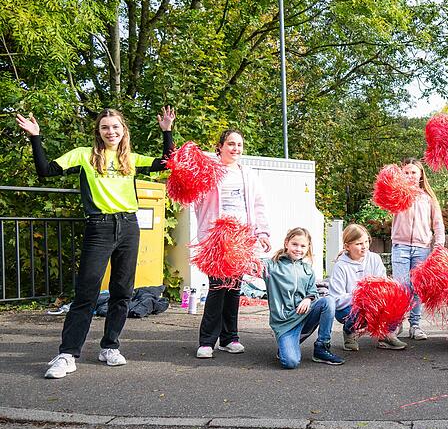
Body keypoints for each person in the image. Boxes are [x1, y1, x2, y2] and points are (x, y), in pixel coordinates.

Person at [17, 107, 175, 379]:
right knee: (86, 293)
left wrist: (167, 132)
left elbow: (168, 162)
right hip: (99, 228)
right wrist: (35, 137)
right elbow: (45, 170)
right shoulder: (84, 155)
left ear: (123, 130)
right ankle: (67, 354)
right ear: (98, 132)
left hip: (128, 227)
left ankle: (110, 346)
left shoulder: (131, 159)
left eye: (115, 127)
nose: (111, 131)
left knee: (122, 291)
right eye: (105, 127)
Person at [193, 129, 271, 359]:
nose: (236, 148)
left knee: (234, 288)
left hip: (241, 238)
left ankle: (230, 338)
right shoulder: (209, 171)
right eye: (231, 144)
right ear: (220, 146)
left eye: (239, 144)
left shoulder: (248, 174)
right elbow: (193, 193)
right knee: (218, 287)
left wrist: (263, 232)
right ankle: (207, 341)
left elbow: (258, 205)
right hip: (216, 237)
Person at [264, 227, 343, 368]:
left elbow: (313, 291)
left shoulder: (308, 270)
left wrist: (308, 298)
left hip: (304, 316)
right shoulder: (271, 266)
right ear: (286, 243)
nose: (298, 249)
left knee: (328, 301)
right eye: (294, 244)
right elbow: (248, 265)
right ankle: (287, 345)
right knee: (290, 362)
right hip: (285, 323)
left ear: (308, 248)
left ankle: (322, 347)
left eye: (303, 246)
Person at [328, 223, 407, 351]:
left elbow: (383, 284)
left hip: (373, 303)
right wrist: (361, 296)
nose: (364, 246)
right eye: (359, 244)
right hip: (350, 306)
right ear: (347, 246)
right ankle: (350, 332)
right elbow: (336, 299)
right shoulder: (341, 266)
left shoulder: (374, 259)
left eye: (366, 242)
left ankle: (386, 334)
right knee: (357, 311)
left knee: (398, 298)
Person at [391, 158, 445, 340]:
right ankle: (397, 322)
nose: (410, 176)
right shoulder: (397, 195)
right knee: (401, 286)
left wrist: (439, 244)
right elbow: (385, 203)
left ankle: (415, 325)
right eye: (406, 172)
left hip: (422, 248)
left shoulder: (428, 198)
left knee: (416, 288)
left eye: (413, 172)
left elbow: (437, 223)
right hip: (400, 246)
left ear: (421, 174)